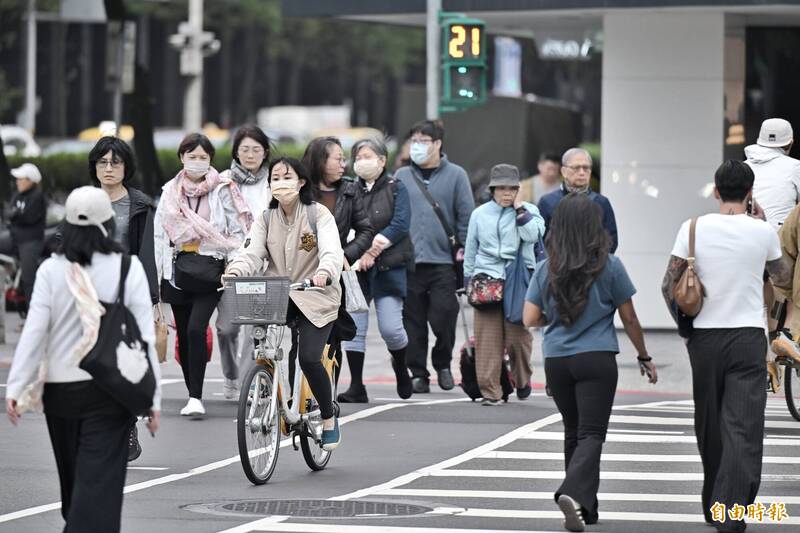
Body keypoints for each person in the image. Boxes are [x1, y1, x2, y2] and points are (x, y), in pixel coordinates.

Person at [5, 186, 162, 533]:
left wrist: (15, 387)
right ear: (109, 224)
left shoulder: (51, 269)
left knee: (74, 483)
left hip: (60, 393)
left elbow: (34, 332)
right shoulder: (128, 268)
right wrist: (152, 400)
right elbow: (144, 338)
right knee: (98, 485)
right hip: (112, 391)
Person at [661, 160, 792, 532]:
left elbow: (667, 285)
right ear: (750, 193)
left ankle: (713, 502)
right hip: (747, 338)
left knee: (709, 422)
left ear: (716, 191)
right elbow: (782, 277)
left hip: (704, 338)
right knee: (743, 425)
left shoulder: (692, 229)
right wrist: (763, 228)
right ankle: (731, 509)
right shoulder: (762, 231)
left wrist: (686, 329)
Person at [524, 193, 656, 531]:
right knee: (592, 433)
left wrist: (556, 319)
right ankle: (572, 492)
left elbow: (529, 318)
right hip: (596, 358)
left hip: (557, 360)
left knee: (574, 431)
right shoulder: (610, 265)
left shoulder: (546, 268)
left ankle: (586, 508)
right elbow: (629, 318)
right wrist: (643, 355)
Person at [225, 157, 344, 450]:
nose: (280, 183)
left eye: (286, 177)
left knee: (308, 358)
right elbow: (252, 252)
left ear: (301, 182)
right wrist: (236, 270)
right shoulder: (266, 219)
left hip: (316, 294)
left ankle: (328, 416)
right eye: (275, 178)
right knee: (262, 345)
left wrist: (325, 272)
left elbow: (332, 251)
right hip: (278, 294)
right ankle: (269, 388)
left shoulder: (318, 214)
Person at [154, 133, 251, 417]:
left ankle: (196, 396)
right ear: (181, 158)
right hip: (178, 270)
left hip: (211, 269)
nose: (197, 161)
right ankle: (192, 393)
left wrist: (233, 264)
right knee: (184, 335)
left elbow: (238, 230)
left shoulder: (223, 188)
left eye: (203, 157)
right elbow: (160, 235)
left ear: (210, 160)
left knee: (197, 329)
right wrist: (158, 276)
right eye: (192, 156)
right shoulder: (170, 191)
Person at [88, 135, 159, 461]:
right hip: (89, 296)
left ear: (126, 167)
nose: (108, 168)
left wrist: (151, 300)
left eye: (115, 163)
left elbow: (147, 255)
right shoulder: (83, 202)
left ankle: (127, 426)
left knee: (123, 366)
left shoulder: (140, 205)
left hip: (127, 295)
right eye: (102, 162)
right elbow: (64, 243)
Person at [395, 119, 475, 393]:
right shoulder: (402, 175)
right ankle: (418, 372)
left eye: (423, 141)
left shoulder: (457, 175)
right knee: (413, 321)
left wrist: (464, 254)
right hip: (409, 262)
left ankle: (443, 364)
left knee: (444, 315)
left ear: (438, 144)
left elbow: (466, 217)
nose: (417, 146)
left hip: (444, 262)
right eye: (414, 141)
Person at [338, 138, 415, 403]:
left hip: (389, 265)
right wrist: (355, 253)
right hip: (356, 268)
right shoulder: (349, 189)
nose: (362, 162)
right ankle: (356, 385)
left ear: (382, 160)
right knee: (354, 328)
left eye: (368, 156)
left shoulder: (396, 187)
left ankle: (400, 365)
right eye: (358, 157)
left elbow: (400, 224)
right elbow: (345, 223)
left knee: (391, 328)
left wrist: (372, 251)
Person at [464, 164, 545, 405]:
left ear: (519, 190)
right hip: (486, 279)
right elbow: (471, 249)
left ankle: (522, 379)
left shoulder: (530, 210)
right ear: (492, 190)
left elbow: (533, 235)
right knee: (487, 340)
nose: (506, 193)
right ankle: (491, 392)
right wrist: (468, 280)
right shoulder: (479, 214)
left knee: (517, 338)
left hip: (518, 279)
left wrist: (520, 210)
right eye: (501, 188)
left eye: (512, 188)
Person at [215, 125, 273, 400]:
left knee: (256, 329)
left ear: (265, 152)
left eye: (256, 150)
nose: (250, 155)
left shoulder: (273, 181)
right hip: (232, 264)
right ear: (236, 152)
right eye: (245, 149)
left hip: (263, 264)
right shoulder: (223, 181)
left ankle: (249, 382)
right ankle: (230, 375)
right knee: (226, 328)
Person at [744, 118, 800, 385]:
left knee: (761, 302)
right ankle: (789, 335)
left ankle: (766, 361)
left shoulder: (745, 167)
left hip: (748, 242)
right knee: (789, 288)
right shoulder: (795, 167)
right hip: (778, 245)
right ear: (791, 143)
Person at [302, 136, 374, 265]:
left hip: (336, 268)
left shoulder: (349, 190)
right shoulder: (300, 191)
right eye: (338, 159)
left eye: (344, 160)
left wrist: (345, 255)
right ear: (320, 160)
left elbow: (365, 231)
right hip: (303, 268)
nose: (343, 165)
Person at [538, 148, 618, 253]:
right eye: (576, 168)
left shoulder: (601, 202)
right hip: (557, 262)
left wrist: (596, 260)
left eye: (586, 168)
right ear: (564, 171)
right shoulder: (547, 202)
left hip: (594, 263)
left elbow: (611, 240)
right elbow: (540, 241)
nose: (582, 172)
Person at [9, 162, 46, 316]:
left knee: (29, 278)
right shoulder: (18, 195)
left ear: (30, 181)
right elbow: (9, 214)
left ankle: (33, 316)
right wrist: (16, 215)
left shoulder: (37, 196)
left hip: (30, 240)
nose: (17, 182)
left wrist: (16, 215)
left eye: (21, 179)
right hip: (15, 237)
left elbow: (29, 218)